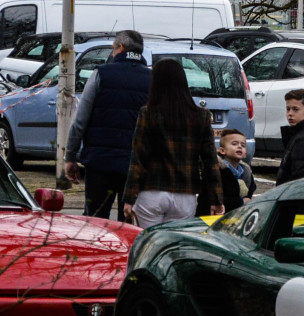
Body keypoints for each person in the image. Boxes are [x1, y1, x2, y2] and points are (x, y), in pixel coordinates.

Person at [121, 58, 223, 229]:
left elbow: (138, 159)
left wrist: (129, 198)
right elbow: (210, 161)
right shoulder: (201, 116)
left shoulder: (148, 114)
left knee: (146, 246)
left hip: (151, 192)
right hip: (185, 195)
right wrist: (216, 199)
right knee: (174, 247)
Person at [64, 30, 151, 221]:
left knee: (95, 220)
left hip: (100, 162)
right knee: (127, 222)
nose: (112, 54)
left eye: (113, 49)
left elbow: (80, 121)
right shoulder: (151, 79)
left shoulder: (101, 74)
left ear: (120, 48)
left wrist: (70, 156)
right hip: (135, 164)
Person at [199, 128, 254, 213]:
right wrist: (242, 202)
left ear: (245, 153)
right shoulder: (217, 170)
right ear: (222, 150)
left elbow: (249, 194)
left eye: (243, 145)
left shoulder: (246, 173)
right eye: (234, 144)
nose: (239, 146)